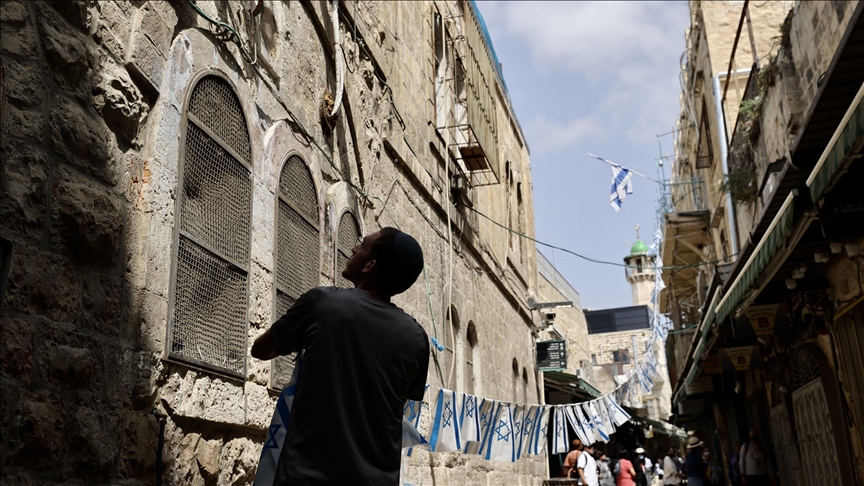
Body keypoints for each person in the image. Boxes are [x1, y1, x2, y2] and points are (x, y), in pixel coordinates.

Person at [251, 228, 430, 485]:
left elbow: (261, 350)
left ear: (370, 265)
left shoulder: (323, 303)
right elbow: (398, 405)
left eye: (362, 245)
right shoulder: (417, 338)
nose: (354, 249)